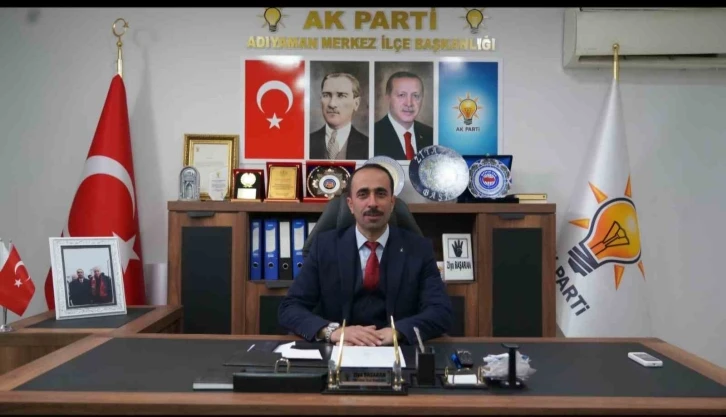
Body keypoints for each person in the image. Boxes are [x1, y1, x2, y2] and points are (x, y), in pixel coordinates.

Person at [278, 164, 452, 346]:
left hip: (397, 349)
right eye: (363, 194)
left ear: (392, 203)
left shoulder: (418, 249)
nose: (372, 203)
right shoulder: (324, 247)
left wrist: (398, 332)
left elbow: (441, 311)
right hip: (339, 349)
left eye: (381, 194)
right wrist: (333, 332)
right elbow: (289, 308)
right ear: (350, 204)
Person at [373, 71, 434, 160]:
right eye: (401, 95)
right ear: (388, 98)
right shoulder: (373, 135)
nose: (409, 103)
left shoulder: (431, 135)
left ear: (422, 99)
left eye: (415, 96)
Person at [309, 72, 369, 160]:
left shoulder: (368, 145)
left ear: (356, 103)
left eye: (341, 96)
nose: (332, 104)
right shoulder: (306, 142)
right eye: (326, 95)